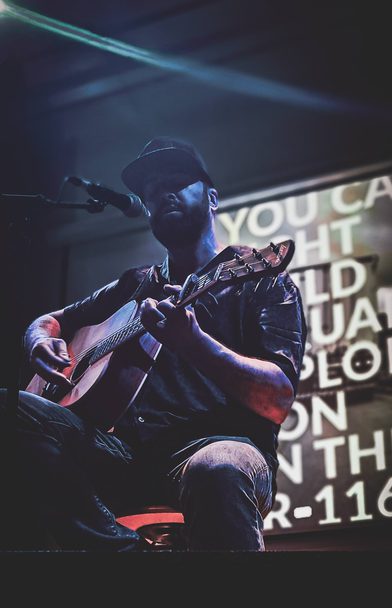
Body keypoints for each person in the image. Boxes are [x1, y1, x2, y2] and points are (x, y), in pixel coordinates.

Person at [0, 136, 307, 551]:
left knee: (216, 467)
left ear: (212, 198)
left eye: (177, 181)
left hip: (220, 446)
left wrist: (194, 343)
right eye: (151, 191)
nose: (163, 193)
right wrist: (39, 338)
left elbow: (277, 399)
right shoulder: (135, 284)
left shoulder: (260, 279)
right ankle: (121, 552)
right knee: (11, 407)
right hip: (120, 453)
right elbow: (50, 321)